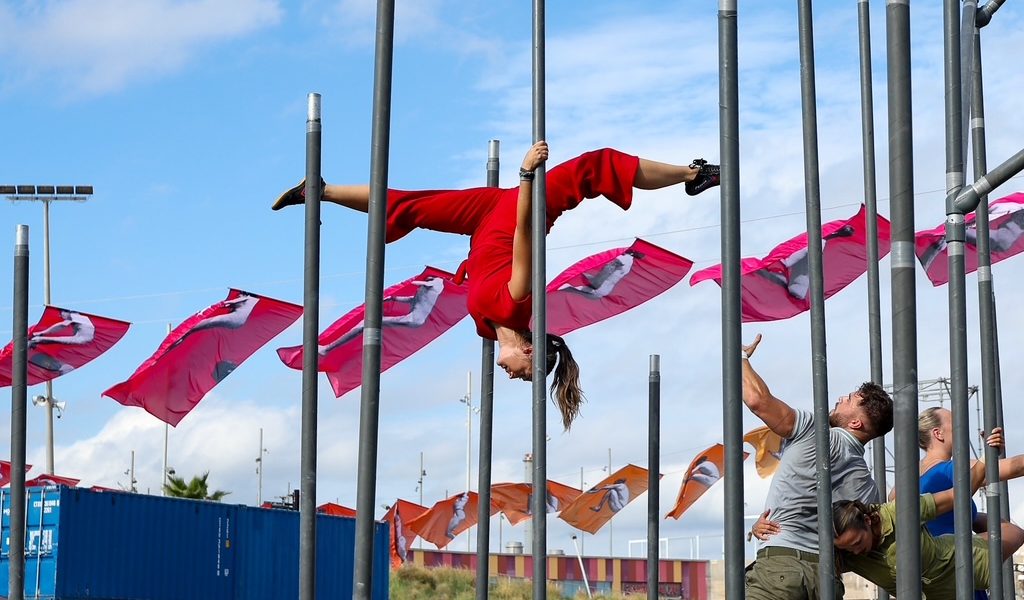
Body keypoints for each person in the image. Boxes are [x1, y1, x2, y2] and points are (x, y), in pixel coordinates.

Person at [273, 142, 720, 428]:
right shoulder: (517, 304)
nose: (510, 375)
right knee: (596, 165)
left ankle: (320, 189)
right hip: (520, 211)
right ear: (528, 350)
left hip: (483, 218)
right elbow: (525, 232)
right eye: (524, 373)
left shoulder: (488, 330)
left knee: (411, 206)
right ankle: (693, 174)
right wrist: (528, 178)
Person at [740, 333, 893, 600]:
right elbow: (856, 546)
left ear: (856, 423)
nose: (841, 398)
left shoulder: (815, 430)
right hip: (825, 580)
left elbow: (757, 400)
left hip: (781, 568)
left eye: (850, 399)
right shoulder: (868, 490)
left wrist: (739, 357)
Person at [833, 453, 1024, 600]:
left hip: (956, 561)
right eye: (848, 548)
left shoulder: (899, 511)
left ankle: (973, 518)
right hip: (937, 594)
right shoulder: (847, 555)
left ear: (867, 520)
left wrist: (985, 458)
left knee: (1015, 533)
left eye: (857, 542)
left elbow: (956, 495)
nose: (855, 551)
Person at [318, 276, 445, 355]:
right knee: (369, 324)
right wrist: (392, 298)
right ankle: (328, 348)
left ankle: (327, 349)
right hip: (414, 319)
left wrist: (421, 278)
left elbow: (417, 284)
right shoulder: (427, 292)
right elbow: (411, 299)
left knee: (366, 324)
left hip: (413, 319)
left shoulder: (436, 284)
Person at [557, 248, 643, 299]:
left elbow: (610, 267)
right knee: (587, 291)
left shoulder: (626, 258)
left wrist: (596, 282)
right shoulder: (628, 261)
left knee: (584, 287)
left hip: (600, 286)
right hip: (602, 290)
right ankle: (567, 288)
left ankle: (567, 287)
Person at [28, 310, 95, 347]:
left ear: (66, 312)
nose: (62, 317)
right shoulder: (80, 317)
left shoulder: (75, 316)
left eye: (62, 314)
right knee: (49, 340)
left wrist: (41, 333)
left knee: (43, 339)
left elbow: (61, 325)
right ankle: (35, 342)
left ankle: (32, 342)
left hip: (81, 339)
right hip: (82, 338)